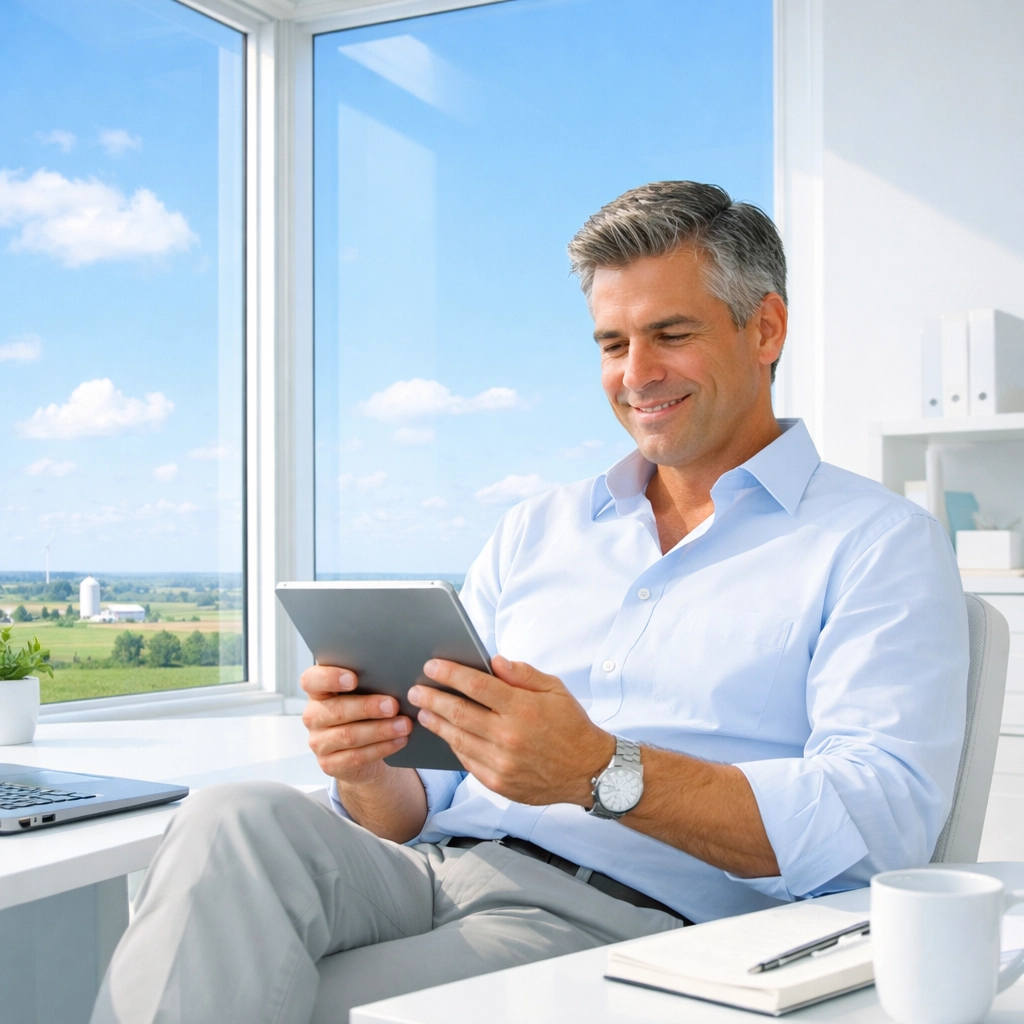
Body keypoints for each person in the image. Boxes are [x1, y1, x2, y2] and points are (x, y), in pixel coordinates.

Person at [91, 182, 968, 1024]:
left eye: (670, 334)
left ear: (765, 327)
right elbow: (420, 805)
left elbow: (877, 824)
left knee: (284, 1002)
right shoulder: (536, 531)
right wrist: (366, 768)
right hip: (430, 871)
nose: (637, 374)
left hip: (627, 920)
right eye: (612, 344)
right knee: (229, 816)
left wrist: (601, 772)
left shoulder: (877, 543)